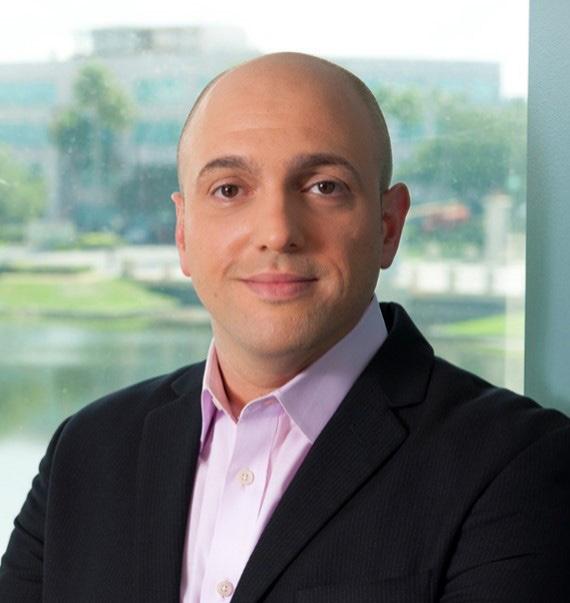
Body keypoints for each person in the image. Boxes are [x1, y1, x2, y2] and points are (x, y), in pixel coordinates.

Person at [1, 51, 569, 603]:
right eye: (229, 189)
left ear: (388, 226)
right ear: (183, 231)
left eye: (324, 186)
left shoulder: (520, 465)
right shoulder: (86, 449)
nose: (276, 231)